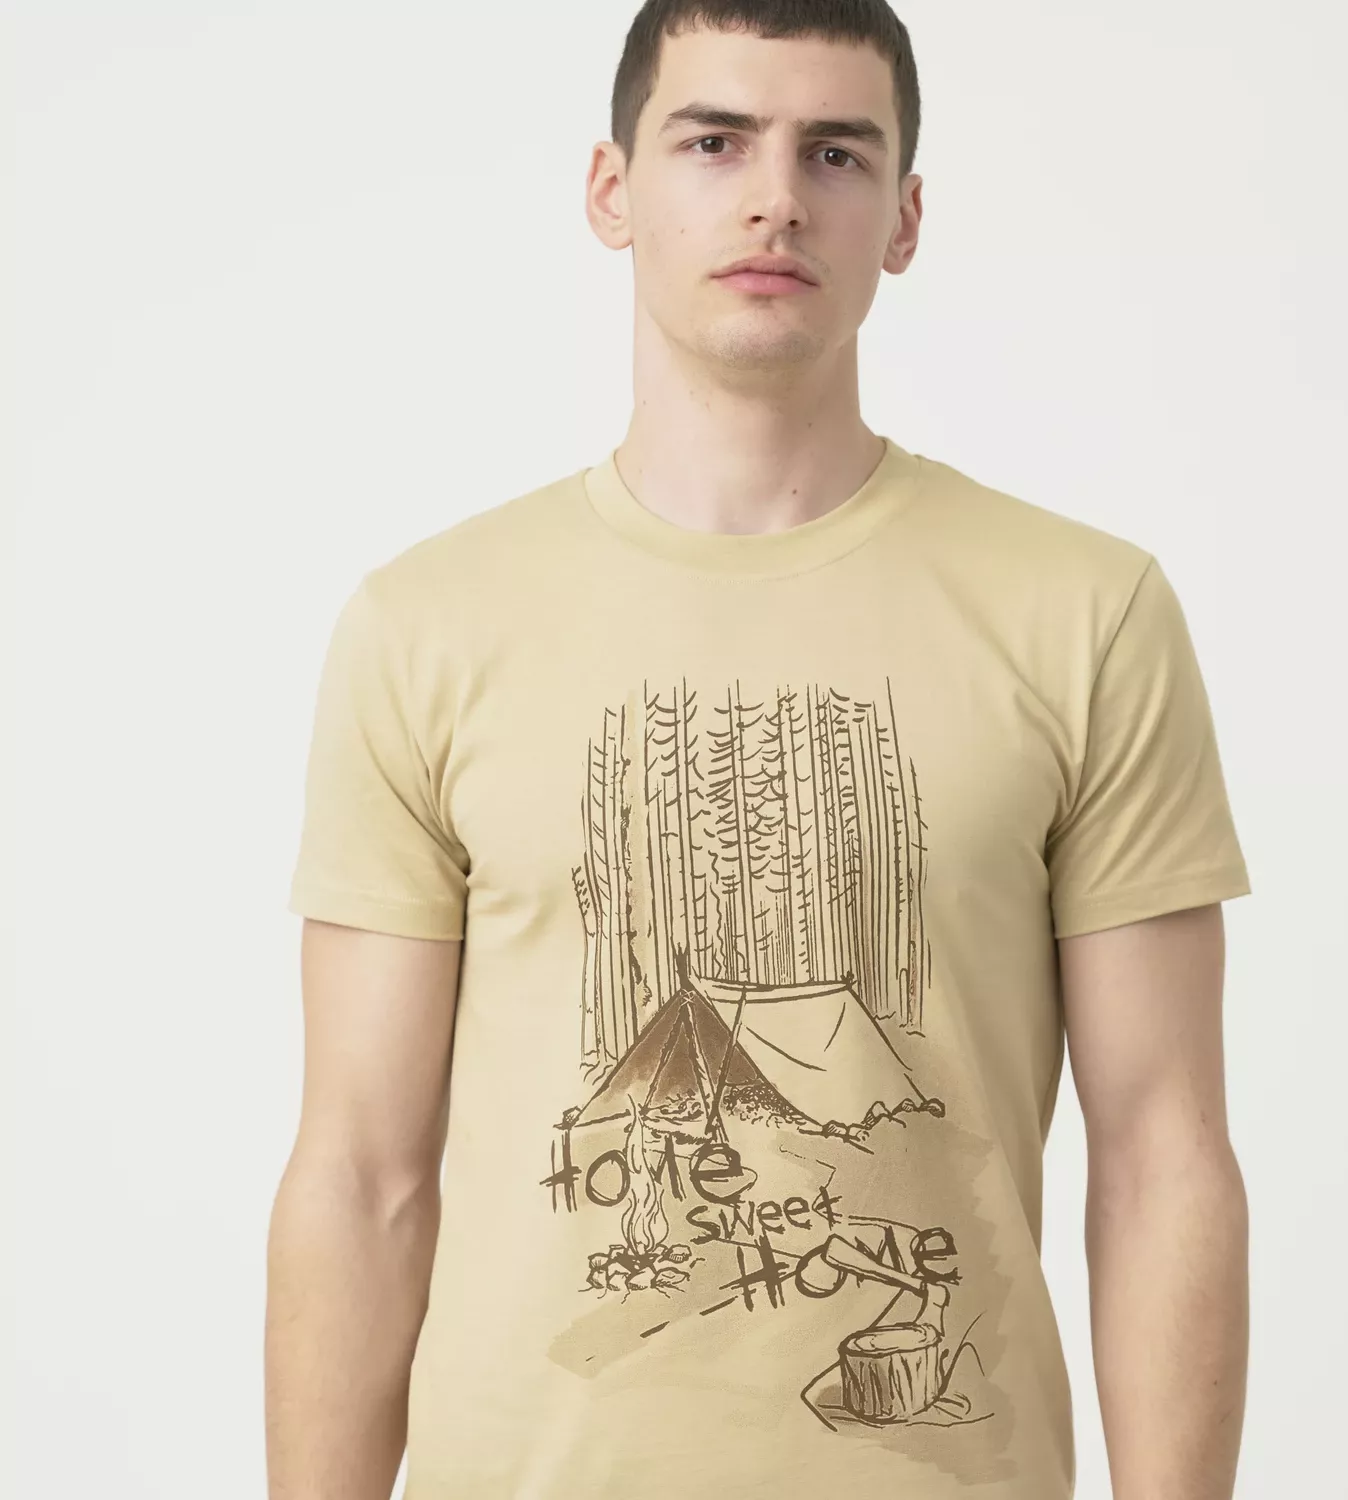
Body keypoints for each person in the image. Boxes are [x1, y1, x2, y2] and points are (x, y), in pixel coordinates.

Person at [266, 3, 1253, 1497]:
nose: (776, 198)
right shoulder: (426, 626)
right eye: (714, 142)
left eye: (835, 153)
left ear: (904, 219)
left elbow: (1165, 1156)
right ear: (613, 189)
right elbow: (359, 1175)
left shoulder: (1086, 614)